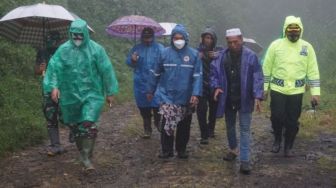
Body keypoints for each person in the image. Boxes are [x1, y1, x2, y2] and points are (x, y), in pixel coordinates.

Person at [43, 19, 119, 171]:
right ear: (70, 34)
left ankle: (86, 157)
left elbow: (106, 70)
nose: (77, 38)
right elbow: (53, 69)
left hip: (92, 94)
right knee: (77, 128)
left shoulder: (96, 50)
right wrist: (53, 87)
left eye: (80, 35)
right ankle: (82, 152)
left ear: (85, 33)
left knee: (88, 124)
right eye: (74, 35)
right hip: (70, 96)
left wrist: (110, 91)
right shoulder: (63, 50)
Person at [263, 15, 320, 157]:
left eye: (296, 30)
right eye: (291, 29)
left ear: (301, 30)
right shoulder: (275, 45)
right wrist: (264, 89)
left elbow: (313, 71)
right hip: (277, 90)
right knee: (276, 117)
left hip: (296, 91)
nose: (293, 32)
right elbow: (266, 68)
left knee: (292, 121)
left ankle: (288, 145)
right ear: (285, 30)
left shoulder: (307, 47)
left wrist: (315, 92)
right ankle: (277, 139)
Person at [210, 28, 263, 174]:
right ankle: (233, 149)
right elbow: (213, 74)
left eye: (236, 41)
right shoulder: (221, 57)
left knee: (245, 129)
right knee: (230, 126)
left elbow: (258, 76)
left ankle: (245, 160)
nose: (233, 45)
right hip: (227, 98)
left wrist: (257, 95)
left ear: (241, 39)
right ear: (226, 42)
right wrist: (216, 87)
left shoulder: (251, 56)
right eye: (230, 42)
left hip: (245, 98)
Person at [148, 24, 202, 159]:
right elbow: (155, 73)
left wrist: (195, 94)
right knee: (167, 123)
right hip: (167, 96)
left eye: (181, 38)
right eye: (175, 38)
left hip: (186, 97)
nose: (178, 40)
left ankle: (181, 149)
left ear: (186, 38)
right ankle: (166, 150)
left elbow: (197, 77)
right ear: (172, 38)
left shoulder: (194, 55)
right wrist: (150, 90)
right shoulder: (164, 54)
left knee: (184, 125)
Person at [126, 27, 164, 138]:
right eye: (145, 37)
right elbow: (128, 62)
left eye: (149, 37)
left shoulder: (160, 48)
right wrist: (132, 60)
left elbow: (166, 62)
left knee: (157, 105)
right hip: (140, 83)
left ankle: (158, 123)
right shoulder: (136, 48)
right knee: (143, 107)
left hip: (156, 82)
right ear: (142, 37)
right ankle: (147, 129)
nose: (147, 40)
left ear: (153, 37)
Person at [34, 31, 65, 156]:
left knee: (65, 114)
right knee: (50, 116)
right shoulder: (42, 52)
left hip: (62, 88)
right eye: (49, 39)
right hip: (47, 89)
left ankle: (76, 133)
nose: (51, 42)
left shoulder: (63, 52)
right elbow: (36, 70)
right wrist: (40, 69)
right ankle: (55, 145)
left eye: (54, 39)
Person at [196, 27, 222, 144]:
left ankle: (211, 129)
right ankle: (204, 134)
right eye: (207, 37)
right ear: (202, 39)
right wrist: (198, 57)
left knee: (213, 109)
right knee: (201, 109)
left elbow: (226, 57)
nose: (208, 40)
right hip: (201, 84)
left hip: (214, 85)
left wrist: (218, 56)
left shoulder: (218, 51)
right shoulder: (197, 51)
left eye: (211, 38)